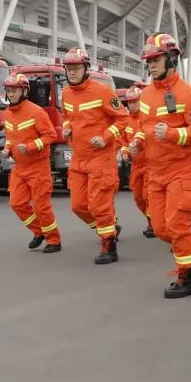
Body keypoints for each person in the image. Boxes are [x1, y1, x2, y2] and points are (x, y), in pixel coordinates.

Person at [131, 33, 191, 298]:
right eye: (149, 61)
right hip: (156, 171)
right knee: (161, 228)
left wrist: (173, 135)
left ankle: (186, 277)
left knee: (178, 225)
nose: (151, 65)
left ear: (172, 59)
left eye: (156, 59)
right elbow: (143, 127)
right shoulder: (146, 95)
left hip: (183, 170)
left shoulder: (190, 94)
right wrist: (138, 141)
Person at [61, 47, 131, 265]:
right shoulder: (66, 93)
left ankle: (108, 245)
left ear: (86, 68)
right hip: (78, 158)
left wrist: (105, 137)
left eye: (76, 68)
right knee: (78, 206)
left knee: (99, 205)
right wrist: (66, 128)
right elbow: (67, 117)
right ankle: (108, 226)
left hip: (100, 158)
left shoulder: (102, 91)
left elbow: (124, 119)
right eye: (68, 69)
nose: (72, 72)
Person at [2, 73, 61, 252]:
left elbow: (51, 135)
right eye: (9, 90)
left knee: (42, 206)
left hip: (38, 167)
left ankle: (54, 240)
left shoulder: (36, 111)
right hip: (20, 167)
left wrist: (29, 147)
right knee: (17, 204)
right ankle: (38, 231)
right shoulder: (8, 114)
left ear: (24, 91)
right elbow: (10, 138)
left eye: (15, 90)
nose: (11, 94)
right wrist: (7, 149)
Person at [121, 86, 154, 237]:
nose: (132, 105)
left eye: (135, 101)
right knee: (138, 197)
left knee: (149, 196)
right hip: (136, 165)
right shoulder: (127, 121)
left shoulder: (147, 118)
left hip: (150, 165)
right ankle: (151, 221)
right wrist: (125, 152)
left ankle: (153, 224)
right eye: (130, 102)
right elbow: (122, 140)